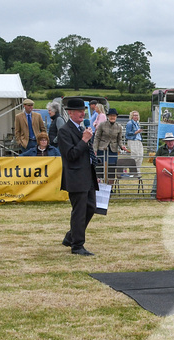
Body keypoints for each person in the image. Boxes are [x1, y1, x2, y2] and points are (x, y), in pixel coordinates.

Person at [57, 98, 99, 256]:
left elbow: (83, 152)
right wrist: (84, 140)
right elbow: (71, 155)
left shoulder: (83, 129)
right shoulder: (64, 131)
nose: (83, 113)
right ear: (70, 113)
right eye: (79, 111)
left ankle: (71, 236)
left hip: (87, 175)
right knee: (79, 211)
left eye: (83, 110)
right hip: (75, 177)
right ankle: (77, 246)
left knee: (91, 208)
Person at [93, 108, 128, 186]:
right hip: (102, 149)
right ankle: (100, 187)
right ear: (108, 116)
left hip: (113, 150)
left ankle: (109, 188)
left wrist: (122, 146)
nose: (112, 117)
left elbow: (119, 139)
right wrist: (95, 149)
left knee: (111, 169)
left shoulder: (119, 127)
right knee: (100, 168)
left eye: (114, 116)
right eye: (111, 116)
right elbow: (97, 137)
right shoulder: (102, 125)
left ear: (116, 117)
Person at [126, 110, 144, 177]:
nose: (136, 116)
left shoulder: (137, 123)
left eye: (137, 115)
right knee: (135, 155)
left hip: (138, 140)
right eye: (134, 115)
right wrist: (135, 132)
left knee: (140, 155)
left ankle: (137, 171)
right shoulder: (130, 123)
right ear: (131, 116)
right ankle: (132, 171)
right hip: (132, 140)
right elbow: (127, 133)